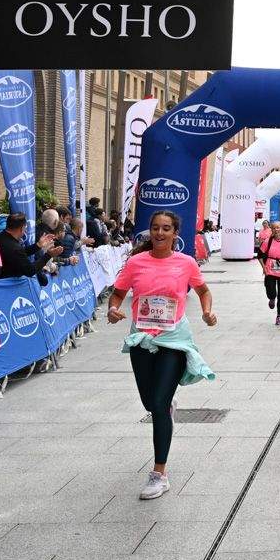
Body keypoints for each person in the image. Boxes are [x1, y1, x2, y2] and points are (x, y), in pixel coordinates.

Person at [106, 210, 217, 500]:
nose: (159, 233)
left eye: (166, 229)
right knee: (149, 402)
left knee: (158, 403)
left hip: (174, 337)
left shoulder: (186, 263)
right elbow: (117, 294)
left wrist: (207, 311)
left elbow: (203, 291)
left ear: (174, 234)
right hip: (142, 336)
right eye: (155, 228)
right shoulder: (135, 262)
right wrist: (113, 309)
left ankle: (159, 474)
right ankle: (165, 403)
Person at [0, 211, 60, 281]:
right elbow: (30, 270)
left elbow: (19, 254)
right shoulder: (14, 247)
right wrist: (48, 255)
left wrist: (38, 245)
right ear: (22, 228)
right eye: (25, 228)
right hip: (7, 285)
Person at [257, 221, 280, 325]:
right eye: (274, 228)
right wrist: (264, 268)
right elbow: (259, 256)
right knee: (271, 291)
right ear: (271, 230)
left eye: (278, 228)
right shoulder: (267, 242)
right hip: (270, 270)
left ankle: (279, 316)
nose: (276, 230)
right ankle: (272, 298)